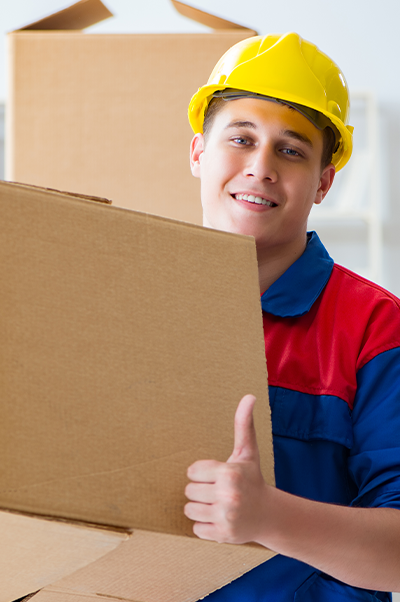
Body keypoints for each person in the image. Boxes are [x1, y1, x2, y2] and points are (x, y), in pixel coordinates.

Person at [183, 33, 400, 601]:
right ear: (198, 154)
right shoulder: (119, 303)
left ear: (324, 181)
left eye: (292, 150)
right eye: (241, 138)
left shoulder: (375, 329)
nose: (260, 168)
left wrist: (267, 518)